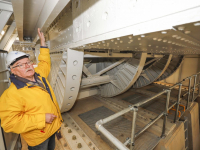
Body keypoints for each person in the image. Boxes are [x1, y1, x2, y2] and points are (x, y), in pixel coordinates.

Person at [0, 28, 63, 150]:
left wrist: (43, 43)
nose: (28, 66)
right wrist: (42, 119)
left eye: (28, 62)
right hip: (38, 138)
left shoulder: (39, 74)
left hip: (52, 129)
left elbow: (44, 62)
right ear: (13, 70)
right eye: (21, 65)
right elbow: (9, 123)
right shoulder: (11, 95)